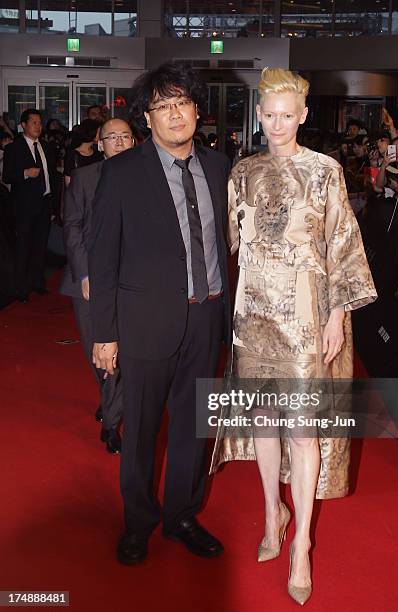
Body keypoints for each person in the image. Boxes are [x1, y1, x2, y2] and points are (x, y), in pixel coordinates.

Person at [211, 68, 377, 605]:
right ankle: (270, 513)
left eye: (288, 116)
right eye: (269, 115)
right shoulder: (242, 171)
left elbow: (343, 249)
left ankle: (302, 543)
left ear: (304, 115)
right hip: (253, 315)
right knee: (263, 422)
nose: (277, 125)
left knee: (303, 432)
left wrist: (336, 316)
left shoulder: (325, 171)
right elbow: (235, 246)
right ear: (259, 113)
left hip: (306, 317)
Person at [88, 63, 232, 565]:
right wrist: (104, 334)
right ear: (148, 117)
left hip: (207, 316)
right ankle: (139, 521)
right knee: (143, 429)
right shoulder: (121, 171)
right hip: (146, 320)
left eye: (183, 103)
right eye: (163, 105)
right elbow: (101, 255)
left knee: (195, 425)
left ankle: (183, 516)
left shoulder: (218, 166)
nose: (175, 114)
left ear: (197, 110)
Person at [60, 118, 135, 454]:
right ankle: (109, 402)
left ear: (134, 142)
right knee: (98, 354)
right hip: (88, 283)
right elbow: (72, 226)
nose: (119, 142)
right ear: (99, 143)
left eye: (125, 137)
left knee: (122, 358)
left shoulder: (146, 180)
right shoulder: (85, 177)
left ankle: (111, 421)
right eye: (112, 137)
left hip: (131, 284)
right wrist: (87, 274)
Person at [2, 109, 57, 302]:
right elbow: (6, 176)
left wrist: (53, 205)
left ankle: (38, 283)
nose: (38, 126)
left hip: (45, 203)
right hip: (24, 206)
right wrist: (25, 173)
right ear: (23, 125)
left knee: (40, 246)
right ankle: (21, 289)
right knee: (23, 247)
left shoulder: (45, 146)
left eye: (40, 123)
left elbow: (52, 176)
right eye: (34, 122)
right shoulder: (13, 148)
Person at [64, 119, 102, 188]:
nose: (101, 135)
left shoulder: (98, 155)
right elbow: (68, 183)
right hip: (79, 195)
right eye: (99, 132)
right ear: (92, 132)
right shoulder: (73, 155)